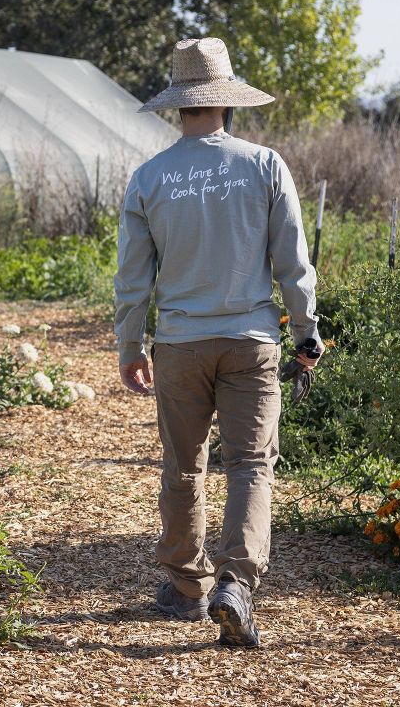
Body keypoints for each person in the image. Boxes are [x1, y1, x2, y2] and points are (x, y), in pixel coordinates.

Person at [113, 37, 324, 647]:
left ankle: (186, 587)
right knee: (252, 463)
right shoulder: (264, 165)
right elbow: (294, 263)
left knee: (184, 465)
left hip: (179, 344)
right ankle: (237, 583)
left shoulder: (150, 177)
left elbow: (133, 278)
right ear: (228, 103)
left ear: (178, 106)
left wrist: (131, 347)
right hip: (252, 340)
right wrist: (306, 332)